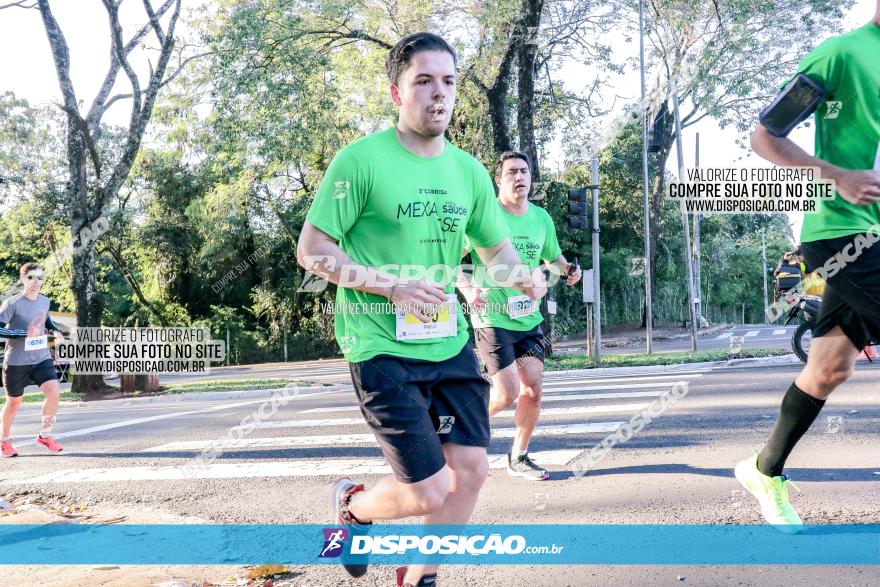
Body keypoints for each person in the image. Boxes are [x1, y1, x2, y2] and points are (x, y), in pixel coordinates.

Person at [296, 32, 546, 586]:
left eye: (449, 82)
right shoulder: (360, 162)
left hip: (447, 339)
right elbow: (312, 251)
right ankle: (353, 508)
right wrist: (390, 287)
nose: (439, 94)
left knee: (472, 471)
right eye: (424, 81)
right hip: (379, 343)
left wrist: (523, 279)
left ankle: (419, 576)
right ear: (396, 92)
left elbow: (493, 247)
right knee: (428, 489)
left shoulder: (468, 173)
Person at [736, 4, 880, 533]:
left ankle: (762, 470)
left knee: (828, 370)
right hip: (845, 234)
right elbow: (764, 136)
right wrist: (835, 174)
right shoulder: (843, 53)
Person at [458, 151, 581, 480]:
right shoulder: (485, 216)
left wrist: (569, 270)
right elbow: (452, 258)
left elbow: (554, 259)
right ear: (498, 180)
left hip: (528, 319)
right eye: (511, 172)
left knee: (533, 390)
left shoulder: (541, 218)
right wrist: (468, 289)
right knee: (507, 393)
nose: (519, 177)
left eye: (524, 171)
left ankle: (519, 456)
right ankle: (459, 432)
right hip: (493, 318)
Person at [1, 262, 66, 457]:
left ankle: (45, 436)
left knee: (54, 392)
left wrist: (56, 331)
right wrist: (22, 333)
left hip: (41, 358)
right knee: (13, 403)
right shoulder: (12, 303)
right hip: (16, 362)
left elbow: (46, 320)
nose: (35, 282)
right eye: (30, 278)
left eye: (39, 278)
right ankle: (4, 441)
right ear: (22, 279)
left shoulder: (44, 301)